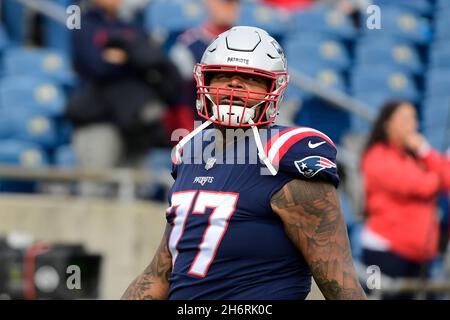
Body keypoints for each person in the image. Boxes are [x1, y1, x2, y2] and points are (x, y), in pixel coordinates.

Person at [121, 26, 366, 300]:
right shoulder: (190, 152)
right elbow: (159, 274)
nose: (235, 84)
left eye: (250, 79)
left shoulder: (285, 156)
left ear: (273, 88)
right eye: (223, 76)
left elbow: (342, 286)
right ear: (206, 83)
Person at [66, 0, 181, 168]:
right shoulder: (83, 24)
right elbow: (98, 65)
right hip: (98, 120)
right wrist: (136, 59)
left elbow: (156, 61)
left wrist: (125, 56)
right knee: (95, 188)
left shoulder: (132, 26)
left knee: (133, 188)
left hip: (135, 125)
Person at [360, 100, 450, 299]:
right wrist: (436, 176)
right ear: (387, 123)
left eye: (414, 118)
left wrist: (426, 151)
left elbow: (447, 178)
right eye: (405, 118)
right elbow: (418, 185)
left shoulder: (419, 156)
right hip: (384, 252)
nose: (412, 124)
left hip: (420, 256)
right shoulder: (377, 155)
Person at [166, 0, 241, 134]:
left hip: (240, 126)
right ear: (209, 3)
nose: (230, 8)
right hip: (199, 126)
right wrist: (187, 132)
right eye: (224, 2)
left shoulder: (248, 44)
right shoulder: (189, 44)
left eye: (234, 3)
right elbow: (179, 95)